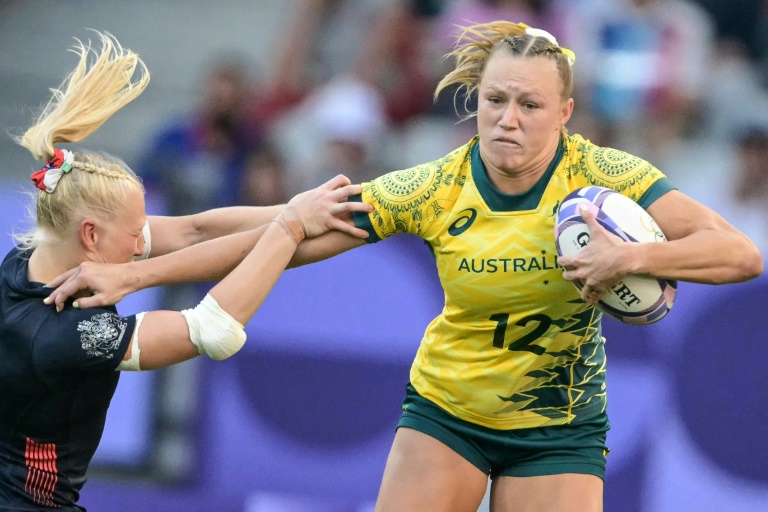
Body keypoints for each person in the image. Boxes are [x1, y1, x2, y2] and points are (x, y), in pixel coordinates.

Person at [44, 22, 763, 511]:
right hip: (448, 413)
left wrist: (630, 255)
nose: (507, 118)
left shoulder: (607, 176)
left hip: (561, 424)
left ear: (565, 112)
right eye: (495, 100)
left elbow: (740, 253)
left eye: (529, 104)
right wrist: (136, 256)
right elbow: (283, 234)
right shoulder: (434, 187)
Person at [0, 32, 371, 511]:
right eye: (134, 233)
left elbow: (195, 231)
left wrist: (297, 208)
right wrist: (291, 227)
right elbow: (212, 329)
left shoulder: (27, 262)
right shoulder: (73, 330)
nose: (142, 244)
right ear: (91, 235)